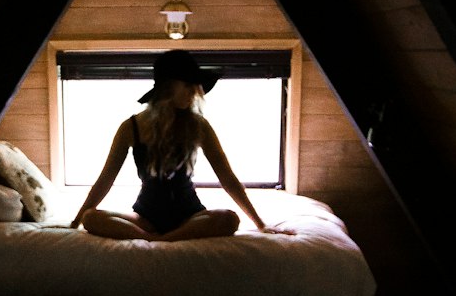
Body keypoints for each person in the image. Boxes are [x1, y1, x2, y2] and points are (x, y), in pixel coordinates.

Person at [69, 49, 294, 241]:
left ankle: (163, 240)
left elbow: (227, 178)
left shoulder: (199, 126)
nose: (193, 93)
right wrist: (76, 221)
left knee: (229, 219)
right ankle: (156, 238)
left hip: (190, 216)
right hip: (145, 217)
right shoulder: (131, 127)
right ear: (168, 87)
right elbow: (105, 179)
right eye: (187, 85)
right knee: (92, 218)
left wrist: (260, 224)